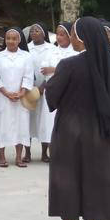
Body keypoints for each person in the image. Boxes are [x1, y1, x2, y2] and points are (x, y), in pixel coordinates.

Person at [46, 16, 110, 220]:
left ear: (83, 38)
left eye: (74, 34)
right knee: (96, 175)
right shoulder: (108, 66)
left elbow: (53, 95)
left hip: (70, 129)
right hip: (101, 132)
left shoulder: (69, 65)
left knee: (69, 174)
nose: (72, 38)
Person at [0, 28, 33, 168]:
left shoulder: (26, 56)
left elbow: (28, 76)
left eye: (14, 38)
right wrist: (6, 93)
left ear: (19, 40)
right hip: (3, 97)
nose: (11, 41)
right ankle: (2, 157)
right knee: (2, 125)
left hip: (20, 98)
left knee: (21, 126)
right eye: (8, 38)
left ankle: (18, 157)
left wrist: (21, 92)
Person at [36, 22, 78, 154]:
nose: (59, 37)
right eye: (58, 34)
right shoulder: (51, 51)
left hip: (69, 92)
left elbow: (75, 70)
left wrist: (55, 69)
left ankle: (68, 152)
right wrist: (59, 71)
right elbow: (44, 69)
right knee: (50, 123)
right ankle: (52, 152)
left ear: (70, 36)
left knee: (68, 122)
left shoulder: (75, 52)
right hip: (52, 91)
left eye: (62, 34)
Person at [23, 23, 51, 162]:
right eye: (32, 31)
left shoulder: (52, 48)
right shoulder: (26, 48)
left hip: (46, 89)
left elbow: (53, 68)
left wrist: (43, 87)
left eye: (37, 30)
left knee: (44, 121)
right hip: (29, 89)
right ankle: (27, 153)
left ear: (44, 33)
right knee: (27, 121)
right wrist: (29, 87)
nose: (34, 33)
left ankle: (44, 153)